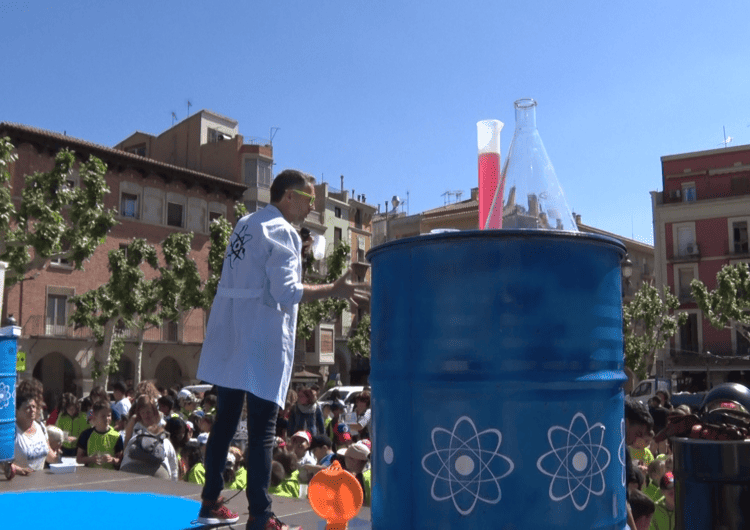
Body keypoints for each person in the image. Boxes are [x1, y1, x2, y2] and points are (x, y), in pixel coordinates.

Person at [195, 170, 370, 530]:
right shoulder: (282, 231)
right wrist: (333, 290)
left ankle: (211, 501)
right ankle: (261, 517)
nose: (311, 206)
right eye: (308, 199)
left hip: (231, 331)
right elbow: (286, 291)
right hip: (260, 337)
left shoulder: (246, 222)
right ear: (289, 196)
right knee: (261, 430)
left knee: (225, 421)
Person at [120, 395, 179, 480]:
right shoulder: (135, 424)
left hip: (157, 465)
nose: (146, 415)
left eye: (148, 412)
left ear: (154, 412)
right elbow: (127, 443)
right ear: (139, 413)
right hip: (136, 463)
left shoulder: (162, 423)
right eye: (143, 412)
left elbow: (170, 453)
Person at [12, 393, 60, 475]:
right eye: (27, 407)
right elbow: (2, 462)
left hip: (39, 482)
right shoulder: (11, 431)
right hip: (17, 483)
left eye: (33, 407)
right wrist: (15, 469)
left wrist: (58, 458)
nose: (32, 410)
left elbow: (47, 452)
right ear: (16, 411)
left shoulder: (40, 426)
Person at [76, 400, 123, 470]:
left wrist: (112, 459)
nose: (107, 419)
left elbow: (120, 460)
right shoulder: (86, 435)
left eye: (109, 416)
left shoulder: (117, 436)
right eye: (103, 416)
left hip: (110, 476)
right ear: (95, 416)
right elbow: (78, 459)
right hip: (90, 475)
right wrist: (91, 459)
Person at [56, 392, 90, 457]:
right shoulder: (62, 416)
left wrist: (76, 439)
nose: (72, 411)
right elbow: (58, 431)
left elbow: (86, 432)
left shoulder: (83, 416)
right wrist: (65, 438)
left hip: (78, 448)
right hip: (65, 448)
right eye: (69, 409)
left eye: (73, 409)